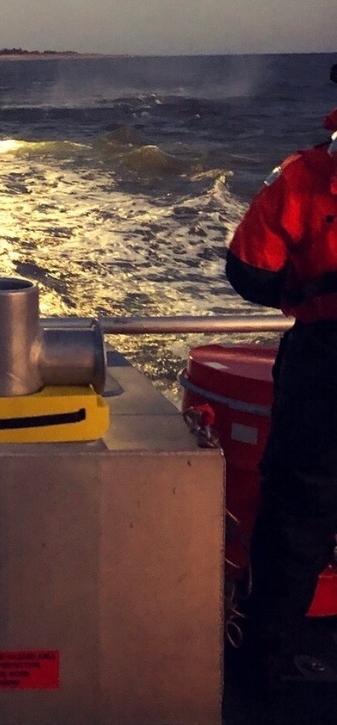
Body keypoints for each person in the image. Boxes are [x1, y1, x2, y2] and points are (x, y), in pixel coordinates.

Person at [225, 63, 337, 683]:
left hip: (324, 364)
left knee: (297, 520)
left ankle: (264, 667)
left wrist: (308, 286)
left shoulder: (303, 177)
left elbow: (250, 271)